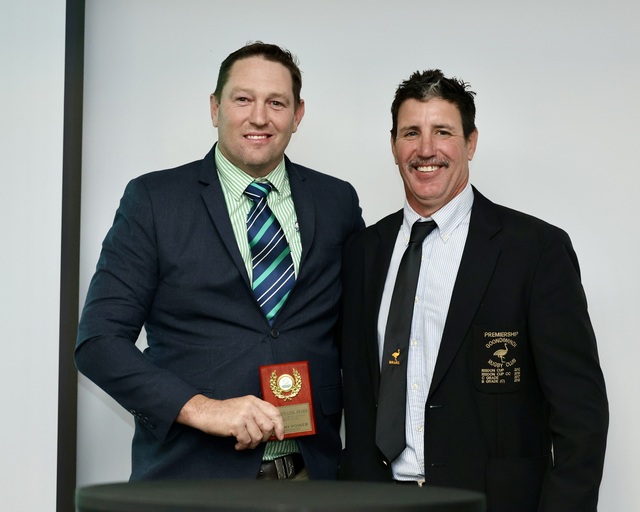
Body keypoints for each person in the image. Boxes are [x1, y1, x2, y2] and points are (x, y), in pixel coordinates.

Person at [75, 42, 364, 481]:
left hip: (312, 476)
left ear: (297, 115)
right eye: (243, 99)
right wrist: (203, 409)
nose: (259, 117)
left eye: (276, 103)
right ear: (215, 108)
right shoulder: (155, 201)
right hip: (191, 476)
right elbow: (99, 343)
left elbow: (360, 333)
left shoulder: (336, 201)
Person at [338, 69, 608, 511]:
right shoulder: (362, 252)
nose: (426, 149)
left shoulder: (535, 250)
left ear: (471, 142)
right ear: (393, 146)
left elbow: (581, 414)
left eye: (443, 132)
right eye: (411, 132)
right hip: (375, 501)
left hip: (493, 502)